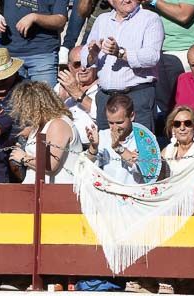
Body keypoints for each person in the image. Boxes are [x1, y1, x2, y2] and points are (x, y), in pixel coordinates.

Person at [84, 0, 164, 129]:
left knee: (140, 146)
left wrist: (120, 53)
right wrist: (92, 55)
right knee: (106, 146)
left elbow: (152, 57)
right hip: (105, 98)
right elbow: (85, 57)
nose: (127, 0)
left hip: (136, 97)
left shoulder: (150, 19)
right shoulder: (102, 20)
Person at [9, 79, 82, 184]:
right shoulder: (37, 126)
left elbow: (50, 164)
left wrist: (23, 157)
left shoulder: (58, 124)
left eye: (24, 108)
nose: (23, 113)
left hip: (57, 191)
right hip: (34, 190)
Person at [83, 91, 162, 183]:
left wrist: (118, 148)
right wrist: (93, 147)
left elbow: (147, 171)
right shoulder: (103, 135)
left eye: (119, 122)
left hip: (134, 193)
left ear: (132, 116)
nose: (115, 128)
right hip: (109, 193)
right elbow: (87, 167)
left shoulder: (143, 138)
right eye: (111, 123)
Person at [3, 0, 67, 86]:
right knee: (14, 98)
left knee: (45, 97)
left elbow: (60, 20)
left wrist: (35, 17)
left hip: (42, 53)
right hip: (11, 52)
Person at [56, 44, 98, 130]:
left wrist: (76, 93)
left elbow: (102, 116)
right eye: (77, 64)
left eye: (87, 63)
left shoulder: (103, 88)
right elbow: (45, 119)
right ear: (70, 67)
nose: (83, 68)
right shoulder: (62, 86)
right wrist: (61, 98)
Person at [161, 103, 194, 170]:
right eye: (177, 124)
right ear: (173, 128)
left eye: (187, 123)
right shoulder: (166, 151)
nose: (182, 128)